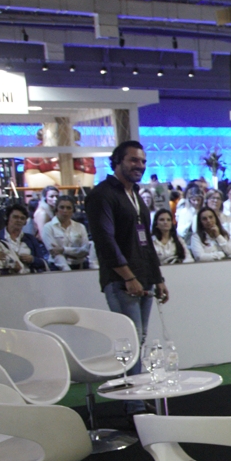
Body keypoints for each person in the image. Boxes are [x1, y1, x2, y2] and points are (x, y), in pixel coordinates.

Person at [86, 141, 167, 359]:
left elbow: (146, 241)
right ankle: (130, 391)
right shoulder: (102, 195)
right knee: (128, 342)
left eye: (142, 161)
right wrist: (129, 277)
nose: (139, 165)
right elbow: (105, 241)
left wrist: (157, 278)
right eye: (133, 160)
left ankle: (137, 389)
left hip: (144, 277)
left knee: (139, 340)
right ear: (117, 161)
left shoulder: (136, 196)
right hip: (121, 280)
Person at [43, 195, 93, 270]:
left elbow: (85, 250)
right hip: (56, 268)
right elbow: (54, 251)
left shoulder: (80, 227)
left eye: (68, 208)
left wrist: (64, 250)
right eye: (62, 207)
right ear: (56, 209)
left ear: (73, 210)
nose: (65, 211)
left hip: (79, 267)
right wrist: (75, 253)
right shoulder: (48, 227)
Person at [0, 202, 45, 272]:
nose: (19, 220)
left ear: (25, 222)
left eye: (22, 218)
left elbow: (43, 262)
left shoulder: (31, 239)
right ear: (7, 218)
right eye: (15, 217)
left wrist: (32, 260)